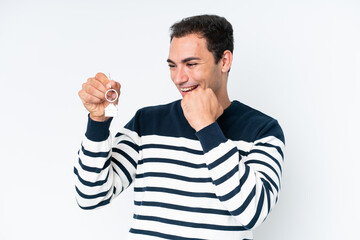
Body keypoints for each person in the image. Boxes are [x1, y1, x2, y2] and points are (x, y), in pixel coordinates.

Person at [76, 14, 285, 240]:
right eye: (172, 66)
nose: (178, 78)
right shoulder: (147, 122)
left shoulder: (262, 131)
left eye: (191, 64)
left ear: (224, 61)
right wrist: (99, 121)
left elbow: (252, 213)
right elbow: (90, 196)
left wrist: (207, 127)